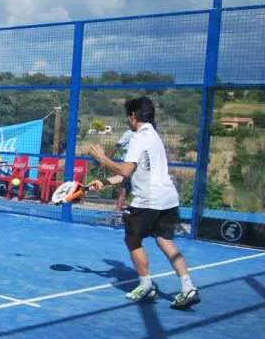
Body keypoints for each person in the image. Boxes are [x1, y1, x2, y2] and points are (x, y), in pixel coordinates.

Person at [86, 96, 200, 309]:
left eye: (127, 117)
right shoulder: (155, 136)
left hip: (148, 200)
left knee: (132, 239)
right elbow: (132, 174)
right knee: (165, 241)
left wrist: (103, 159)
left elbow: (125, 170)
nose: (127, 121)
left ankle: (146, 285)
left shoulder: (138, 138)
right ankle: (188, 287)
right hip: (168, 198)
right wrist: (103, 182)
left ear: (133, 116)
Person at [109, 127, 135, 210]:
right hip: (127, 166)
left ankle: (119, 209)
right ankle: (118, 210)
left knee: (125, 189)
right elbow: (116, 146)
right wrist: (107, 159)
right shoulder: (129, 133)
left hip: (136, 167)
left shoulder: (145, 134)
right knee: (123, 188)